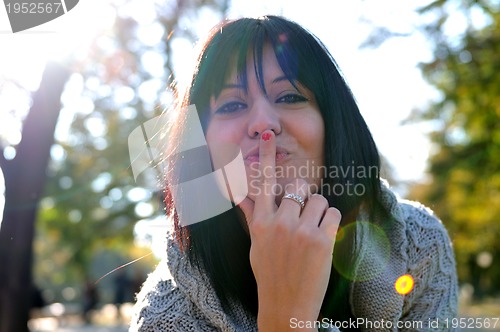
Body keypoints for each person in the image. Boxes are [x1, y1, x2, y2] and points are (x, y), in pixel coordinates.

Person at [130, 15, 458, 331]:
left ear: (333, 123)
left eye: (289, 96)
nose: (263, 123)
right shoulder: (165, 316)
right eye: (231, 105)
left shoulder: (418, 244)